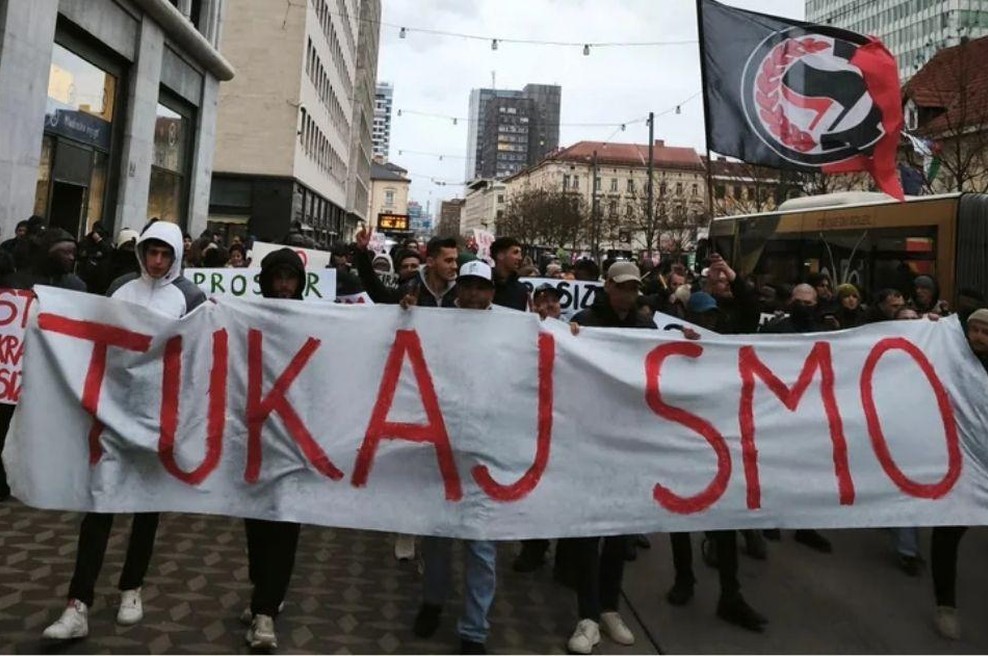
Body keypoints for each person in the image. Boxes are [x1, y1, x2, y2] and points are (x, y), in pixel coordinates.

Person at [42, 221, 206, 641]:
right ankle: (78, 604)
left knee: (146, 510)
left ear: (175, 256)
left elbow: (200, 357)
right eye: (150, 252)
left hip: (158, 420)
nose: (156, 261)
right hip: (113, 416)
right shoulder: (120, 289)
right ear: (141, 253)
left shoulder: (189, 298)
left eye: (164, 254)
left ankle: (131, 587)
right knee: (98, 509)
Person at [564, 261, 652, 654]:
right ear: (608, 286)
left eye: (634, 288)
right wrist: (569, 339)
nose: (628, 294)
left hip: (629, 440)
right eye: (622, 287)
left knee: (620, 530)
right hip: (592, 437)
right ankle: (587, 615)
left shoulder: (645, 327)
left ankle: (610, 607)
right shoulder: (585, 320)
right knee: (589, 532)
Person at [411, 261, 499, 655]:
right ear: (457, 290)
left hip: (486, 452)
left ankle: (475, 629)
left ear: (492, 293)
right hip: (441, 447)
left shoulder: (510, 331)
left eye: (482, 288)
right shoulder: (435, 324)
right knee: (436, 537)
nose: (475, 296)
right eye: (468, 287)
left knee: (481, 545)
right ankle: (432, 601)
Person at [239, 248, 308, 650]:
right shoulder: (247, 316)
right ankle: (263, 590)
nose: (284, 286)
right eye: (278, 277)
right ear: (266, 280)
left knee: (284, 525)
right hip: (253, 441)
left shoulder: (313, 320)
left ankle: (265, 612)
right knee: (256, 526)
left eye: (291, 278)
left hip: (294, 445)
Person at [759, 284, 834, 554]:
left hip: (812, 411)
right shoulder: (776, 329)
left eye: (809, 302)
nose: (804, 306)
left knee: (810, 470)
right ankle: (771, 518)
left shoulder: (827, 333)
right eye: (799, 301)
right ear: (791, 301)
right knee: (776, 466)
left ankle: (806, 525)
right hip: (780, 406)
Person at [929, 307, 988, 641]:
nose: (978, 337)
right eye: (973, 330)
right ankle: (945, 605)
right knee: (948, 533)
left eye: (985, 332)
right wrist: (933, 331)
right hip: (959, 465)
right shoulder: (955, 358)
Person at [353, 228, 457, 308]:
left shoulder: (461, 292)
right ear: (430, 262)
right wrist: (361, 252)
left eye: (455, 260)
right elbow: (378, 294)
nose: (454, 266)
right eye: (448, 261)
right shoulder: (409, 289)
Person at [490, 237, 530, 311]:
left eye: (520, 253)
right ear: (500, 255)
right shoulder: (484, 285)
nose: (520, 258)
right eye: (515, 252)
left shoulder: (522, 290)